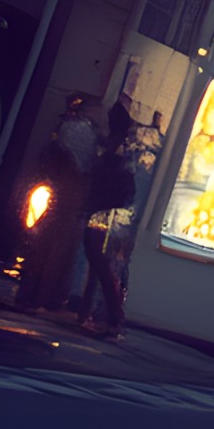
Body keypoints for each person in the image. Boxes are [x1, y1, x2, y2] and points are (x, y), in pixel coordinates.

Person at [17, 95, 99, 310]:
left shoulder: (65, 127)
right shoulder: (83, 131)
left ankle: (31, 293)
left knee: (47, 241)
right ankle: (46, 297)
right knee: (59, 247)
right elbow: (83, 164)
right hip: (71, 193)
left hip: (60, 191)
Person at [76, 104, 140, 337]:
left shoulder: (116, 148)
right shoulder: (120, 146)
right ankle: (98, 312)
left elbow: (110, 178)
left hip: (104, 212)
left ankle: (107, 313)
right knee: (98, 261)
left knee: (98, 260)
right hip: (108, 211)